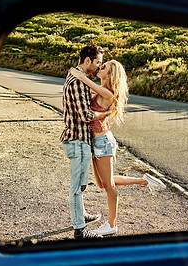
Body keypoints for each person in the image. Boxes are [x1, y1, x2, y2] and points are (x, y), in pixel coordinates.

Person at [69, 59, 166, 236]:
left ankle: (112, 224)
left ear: (110, 75)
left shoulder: (108, 93)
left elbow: (85, 82)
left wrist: (78, 74)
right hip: (96, 143)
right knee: (102, 183)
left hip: (103, 142)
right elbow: (86, 89)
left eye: (103, 67)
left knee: (109, 186)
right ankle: (144, 181)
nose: (100, 67)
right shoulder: (102, 88)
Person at [60, 43, 110, 239]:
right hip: (78, 139)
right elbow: (85, 115)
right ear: (87, 60)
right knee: (78, 186)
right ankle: (80, 230)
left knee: (80, 184)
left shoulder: (75, 76)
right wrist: (107, 112)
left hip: (76, 138)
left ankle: (81, 215)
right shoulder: (79, 82)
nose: (99, 66)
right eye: (98, 62)